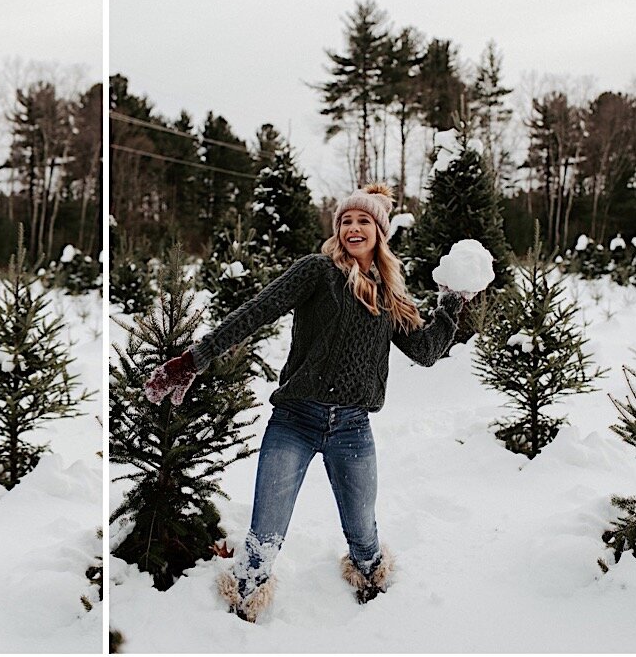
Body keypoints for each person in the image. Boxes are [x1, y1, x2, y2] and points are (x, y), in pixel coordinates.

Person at [143, 183, 471, 622]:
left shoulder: (390, 296)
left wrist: (452, 304)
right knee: (266, 530)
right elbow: (257, 311)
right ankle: (244, 598)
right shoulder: (318, 271)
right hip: (295, 419)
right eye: (346, 221)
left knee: (363, 530)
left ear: (380, 232)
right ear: (338, 230)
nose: (354, 228)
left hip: (353, 427)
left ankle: (372, 580)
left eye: (364, 221)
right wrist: (193, 360)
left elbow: (426, 352)